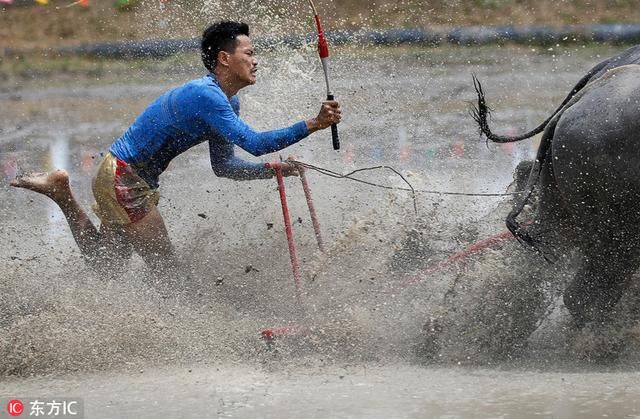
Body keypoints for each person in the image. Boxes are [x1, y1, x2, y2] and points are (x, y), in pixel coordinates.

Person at [10, 20, 341, 283]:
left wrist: (270, 170)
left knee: (106, 265)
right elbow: (253, 143)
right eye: (249, 53)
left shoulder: (229, 102)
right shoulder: (207, 96)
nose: (256, 61)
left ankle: (61, 192)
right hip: (126, 178)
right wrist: (312, 123)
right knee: (168, 273)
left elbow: (224, 166)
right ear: (225, 59)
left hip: (126, 175)